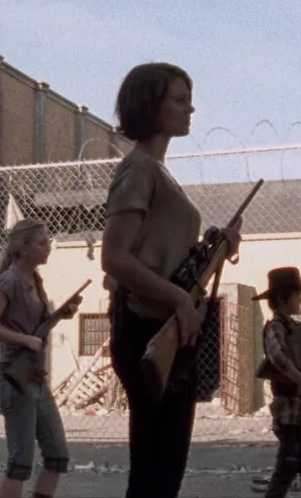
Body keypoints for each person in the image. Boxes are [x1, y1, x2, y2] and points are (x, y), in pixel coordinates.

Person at [100, 62, 241, 498]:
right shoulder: (139, 170)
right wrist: (179, 300)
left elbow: (162, 257)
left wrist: (215, 252)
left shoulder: (156, 172)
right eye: (179, 100)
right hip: (147, 327)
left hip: (163, 327)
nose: (190, 109)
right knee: (157, 472)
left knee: (161, 470)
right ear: (150, 106)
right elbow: (115, 257)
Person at [0, 218, 81, 498]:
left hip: (36, 380)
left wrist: (60, 316)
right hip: (16, 379)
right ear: (23, 247)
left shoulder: (35, 280)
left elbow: (36, 331)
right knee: (20, 463)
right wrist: (23, 340)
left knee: (57, 456)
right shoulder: (9, 281)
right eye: (42, 242)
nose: (48, 247)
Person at [253, 267, 301, 498]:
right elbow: (279, 358)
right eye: (297, 295)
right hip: (288, 405)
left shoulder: (295, 328)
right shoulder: (275, 327)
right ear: (283, 299)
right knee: (289, 463)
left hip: (300, 405)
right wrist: (299, 379)